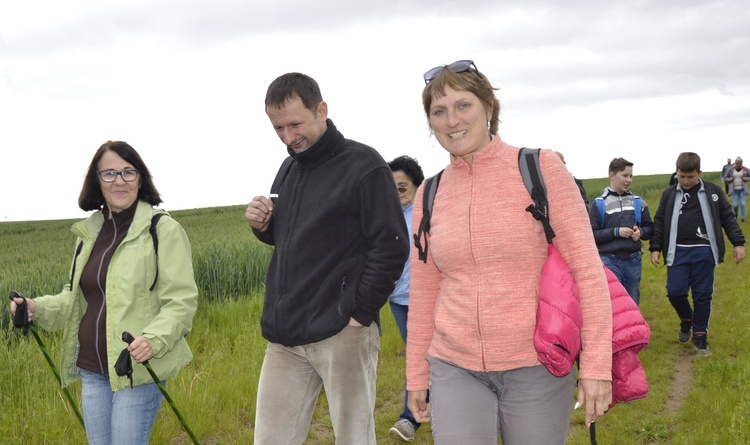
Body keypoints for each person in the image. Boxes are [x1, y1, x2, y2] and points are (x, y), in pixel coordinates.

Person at [406, 60, 613, 444]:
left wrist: (598, 363)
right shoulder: (429, 193)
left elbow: (587, 269)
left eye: (463, 105)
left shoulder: (540, 168)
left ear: (488, 106)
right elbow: (423, 293)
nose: (452, 120)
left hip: (536, 363)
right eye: (439, 111)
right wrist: (417, 375)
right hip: (454, 365)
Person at [245, 72, 409, 444]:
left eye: (295, 124)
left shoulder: (365, 165)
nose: (289, 138)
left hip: (343, 333)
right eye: (279, 129)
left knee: (354, 438)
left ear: (321, 109)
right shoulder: (290, 167)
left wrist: (357, 315)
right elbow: (292, 240)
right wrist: (263, 224)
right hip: (285, 337)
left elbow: (392, 247)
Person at [9, 141, 199, 445]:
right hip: (92, 370)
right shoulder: (89, 233)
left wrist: (154, 340)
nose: (119, 181)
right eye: (109, 173)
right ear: (96, 181)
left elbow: (182, 302)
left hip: (135, 368)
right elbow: (75, 298)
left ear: (141, 178)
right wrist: (36, 307)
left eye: (128, 172)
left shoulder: (162, 230)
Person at [650, 152, 745, 356]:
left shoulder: (714, 191)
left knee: (703, 295)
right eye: (681, 176)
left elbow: (728, 217)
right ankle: (687, 319)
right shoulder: (669, 194)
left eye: (690, 177)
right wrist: (655, 248)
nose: (685, 181)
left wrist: (738, 243)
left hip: (704, 251)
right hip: (678, 252)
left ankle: (700, 337)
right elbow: (659, 221)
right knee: (675, 292)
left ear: (699, 173)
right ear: (677, 172)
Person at [386, 155, 425, 442]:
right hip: (398, 300)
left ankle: (409, 419)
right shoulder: (383, 215)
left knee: (434, 359)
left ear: (416, 186)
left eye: (402, 187)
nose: (397, 193)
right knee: (418, 358)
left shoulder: (430, 212)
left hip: (430, 299)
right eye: (391, 188)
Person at [589, 158, 653, 305]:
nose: (629, 180)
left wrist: (641, 233)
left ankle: (633, 329)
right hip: (608, 259)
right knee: (613, 303)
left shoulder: (638, 202)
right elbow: (592, 235)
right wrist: (616, 232)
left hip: (633, 261)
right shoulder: (599, 204)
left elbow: (650, 228)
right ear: (612, 175)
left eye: (631, 176)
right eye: (625, 175)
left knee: (632, 302)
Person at [723, 156, 749, 222]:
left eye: (740, 163)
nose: (738, 164)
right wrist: (729, 179)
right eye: (737, 163)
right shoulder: (731, 169)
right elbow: (725, 178)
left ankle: (743, 217)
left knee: (743, 204)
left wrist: (746, 179)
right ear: (735, 163)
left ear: (742, 163)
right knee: (735, 205)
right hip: (734, 191)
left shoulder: (745, 169)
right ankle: (736, 214)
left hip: (743, 190)